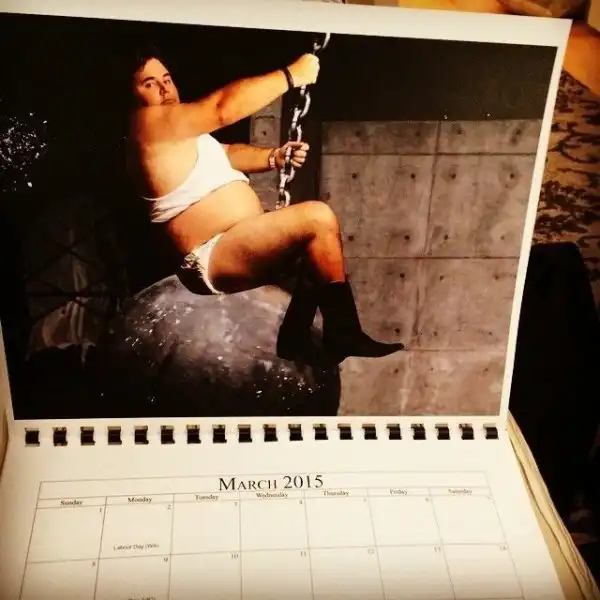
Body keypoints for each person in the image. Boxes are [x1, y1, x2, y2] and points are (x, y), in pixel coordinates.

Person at [126, 46, 405, 364]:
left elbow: (225, 153)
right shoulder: (146, 123)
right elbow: (221, 108)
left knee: (320, 254)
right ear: (130, 95)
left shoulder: (179, 135)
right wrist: (291, 75)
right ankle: (343, 334)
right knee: (317, 218)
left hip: (235, 241)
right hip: (212, 254)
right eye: (149, 83)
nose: (164, 89)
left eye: (166, 79)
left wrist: (273, 156)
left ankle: (296, 337)